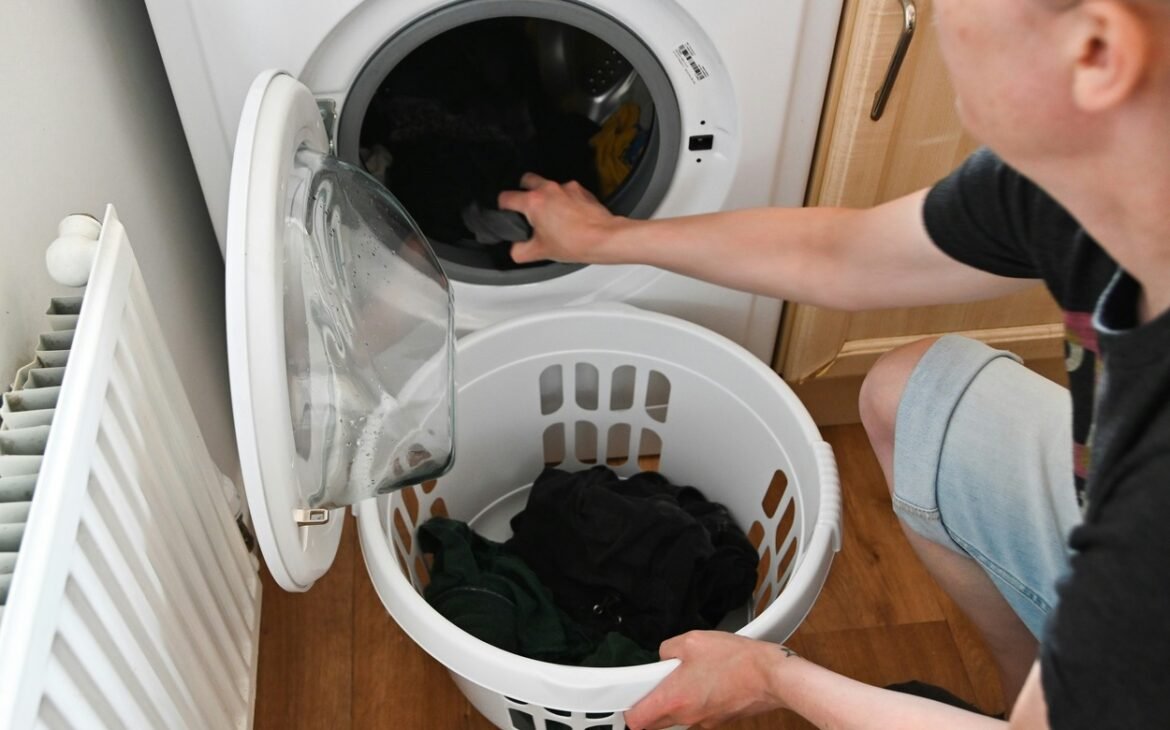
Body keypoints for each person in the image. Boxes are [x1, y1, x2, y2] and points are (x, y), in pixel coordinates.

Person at [496, 0, 1170, 727]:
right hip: (1116, 545)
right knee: (911, 392)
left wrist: (772, 676)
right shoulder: (1092, 166)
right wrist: (603, 236)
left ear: (1097, 49)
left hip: (1142, 573)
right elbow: (843, 255)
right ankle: (1034, 691)